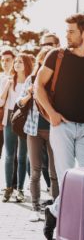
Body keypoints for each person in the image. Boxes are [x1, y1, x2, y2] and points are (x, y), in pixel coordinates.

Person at [34, 13, 84, 240]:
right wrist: (52, 114)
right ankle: (72, 229)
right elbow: (38, 87)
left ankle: (53, 212)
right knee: (66, 182)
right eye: (66, 31)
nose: (67, 35)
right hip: (61, 126)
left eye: (71, 31)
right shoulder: (57, 56)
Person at [17, 46, 59, 222]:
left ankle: (57, 208)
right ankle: (35, 207)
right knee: (34, 171)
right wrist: (28, 95)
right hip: (33, 130)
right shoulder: (32, 79)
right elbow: (19, 104)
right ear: (40, 61)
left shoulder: (59, 80)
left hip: (54, 130)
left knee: (54, 172)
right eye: (44, 59)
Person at [0, 53, 33, 203]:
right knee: (8, 155)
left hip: (24, 118)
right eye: (16, 62)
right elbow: (1, 103)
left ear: (26, 64)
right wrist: (6, 86)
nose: (17, 64)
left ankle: (20, 189)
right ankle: (8, 188)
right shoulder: (8, 80)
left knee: (22, 156)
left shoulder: (30, 81)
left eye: (20, 62)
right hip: (9, 116)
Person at [39, 32, 60, 196]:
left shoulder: (62, 65)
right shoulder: (38, 66)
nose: (46, 47)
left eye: (49, 44)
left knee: (56, 163)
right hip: (39, 123)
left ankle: (57, 196)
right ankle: (50, 191)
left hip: (58, 121)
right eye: (43, 44)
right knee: (43, 162)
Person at [0, 48, 15, 158]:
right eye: (3, 60)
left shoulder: (19, 78)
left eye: (8, 60)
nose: (5, 63)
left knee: (15, 155)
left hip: (13, 121)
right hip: (1, 121)